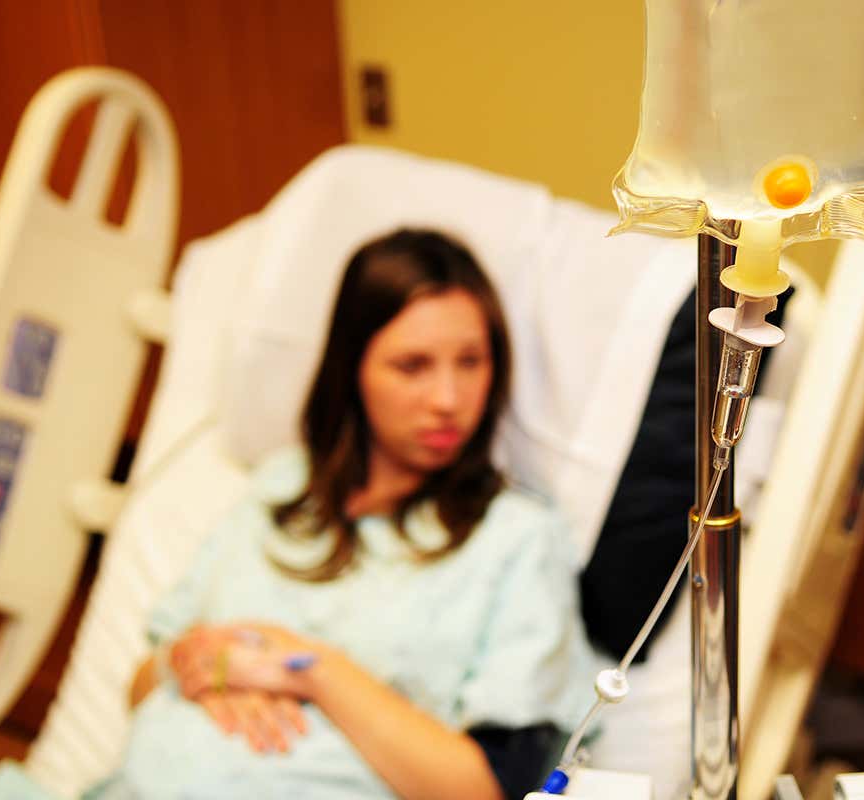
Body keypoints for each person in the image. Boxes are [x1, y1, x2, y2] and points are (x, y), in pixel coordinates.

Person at [90, 229, 596, 799]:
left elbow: (494, 788)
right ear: (353, 367)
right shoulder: (283, 487)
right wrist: (195, 668)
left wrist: (311, 672)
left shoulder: (516, 539)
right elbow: (143, 684)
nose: (448, 399)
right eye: (413, 366)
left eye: (471, 362)